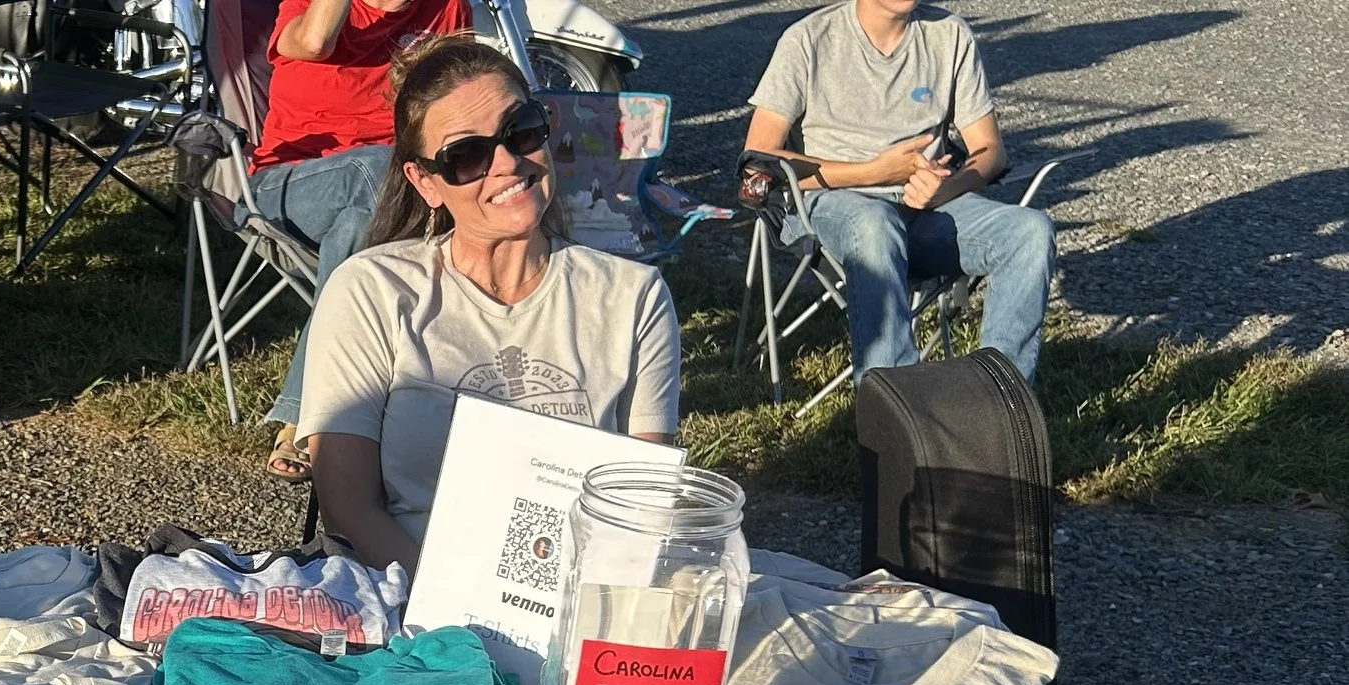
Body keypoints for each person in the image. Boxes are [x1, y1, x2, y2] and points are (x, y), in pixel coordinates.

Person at [299, 35, 681, 573]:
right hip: (414, 594)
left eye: (519, 130)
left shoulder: (633, 296)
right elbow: (348, 510)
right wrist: (448, 612)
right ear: (425, 182)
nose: (505, 163)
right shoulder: (373, 291)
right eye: (466, 155)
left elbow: (644, 505)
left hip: (585, 589)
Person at [742, 0, 1054, 380]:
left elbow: (990, 150)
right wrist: (872, 172)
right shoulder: (808, 39)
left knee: (1029, 231)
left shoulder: (949, 34)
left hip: (926, 208)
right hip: (833, 207)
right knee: (875, 220)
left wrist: (947, 188)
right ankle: (894, 414)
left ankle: (1003, 404)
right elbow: (760, 160)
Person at [248, 0, 473, 483]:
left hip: (384, 200)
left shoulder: (447, 7)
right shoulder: (308, 8)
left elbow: (459, 98)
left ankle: (302, 414)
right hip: (288, 186)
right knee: (372, 168)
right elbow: (310, 43)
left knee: (356, 228)